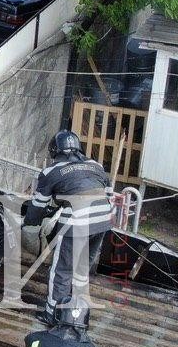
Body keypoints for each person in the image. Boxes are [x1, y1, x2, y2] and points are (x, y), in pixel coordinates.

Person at [23, 130, 113, 322]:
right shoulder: (95, 165)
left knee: (61, 270)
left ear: (54, 151)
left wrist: (29, 228)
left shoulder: (50, 172)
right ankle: (77, 312)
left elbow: (38, 207)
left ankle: (52, 315)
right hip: (103, 220)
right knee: (81, 268)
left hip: (77, 222)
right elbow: (108, 194)